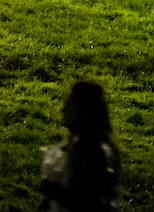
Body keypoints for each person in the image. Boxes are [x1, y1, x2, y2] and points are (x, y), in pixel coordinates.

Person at [40, 81, 121, 212]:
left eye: (69, 105)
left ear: (82, 111)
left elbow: (87, 203)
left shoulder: (87, 149)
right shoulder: (82, 144)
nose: (63, 109)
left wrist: (51, 189)